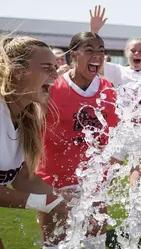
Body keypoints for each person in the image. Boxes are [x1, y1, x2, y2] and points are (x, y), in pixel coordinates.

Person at [37, 32, 119, 249]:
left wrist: (111, 166)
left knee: (96, 243)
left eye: (101, 51)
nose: (97, 56)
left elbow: (118, 133)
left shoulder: (107, 89)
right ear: (73, 54)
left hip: (93, 183)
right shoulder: (52, 88)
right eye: (89, 50)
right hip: (55, 180)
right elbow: (33, 133)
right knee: (54, 244)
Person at [0, 36, 74, 244]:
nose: (55, 74)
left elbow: (21, 176)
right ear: (18, 71)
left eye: (56, 66)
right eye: (46, 67)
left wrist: (62, 199)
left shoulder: (30, 115)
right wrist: (42, 201)